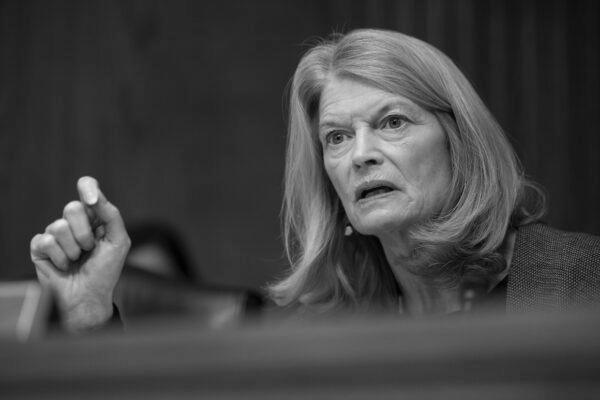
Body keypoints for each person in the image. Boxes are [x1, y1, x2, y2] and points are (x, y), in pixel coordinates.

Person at [30, 29, 600, 331]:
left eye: (392, 122)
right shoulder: (315, 332)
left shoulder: (583, 282)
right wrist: (89, 318)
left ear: (460, 142)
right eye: (337, 137)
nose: (361, 156)